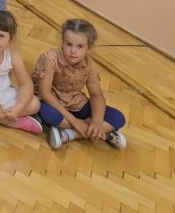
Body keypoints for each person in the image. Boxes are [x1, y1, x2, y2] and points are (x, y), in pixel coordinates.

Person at [33, 19, 127, 150]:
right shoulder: (49, 58)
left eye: (80, 46)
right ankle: (103, 132)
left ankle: (70, 134)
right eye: (68, 44)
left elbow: (96, 95)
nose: (73, 51)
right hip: (51, 102)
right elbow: (45, 94)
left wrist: (97, 121)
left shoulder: (90, 64)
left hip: (75, 103)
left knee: (118, 117)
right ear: (62, 42)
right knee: (51, 116)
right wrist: (75, 121)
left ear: (89, 47)